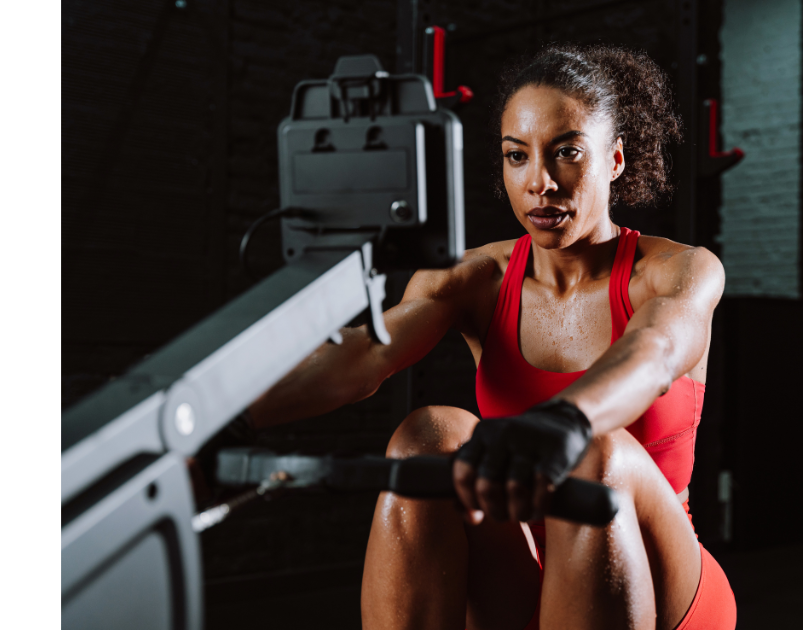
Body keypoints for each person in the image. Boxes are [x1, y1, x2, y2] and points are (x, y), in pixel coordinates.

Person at [248, 43, 736, 630]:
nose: (541, 183)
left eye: (567, 154)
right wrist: (217, 415)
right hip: (527, 577)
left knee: (596, 451)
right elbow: (364, 357)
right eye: (516, 156)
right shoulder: (474, 278)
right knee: (426, 435)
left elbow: (656, 352)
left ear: (613, 161)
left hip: (662, 585)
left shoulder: (678, 271)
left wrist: (567, 421)